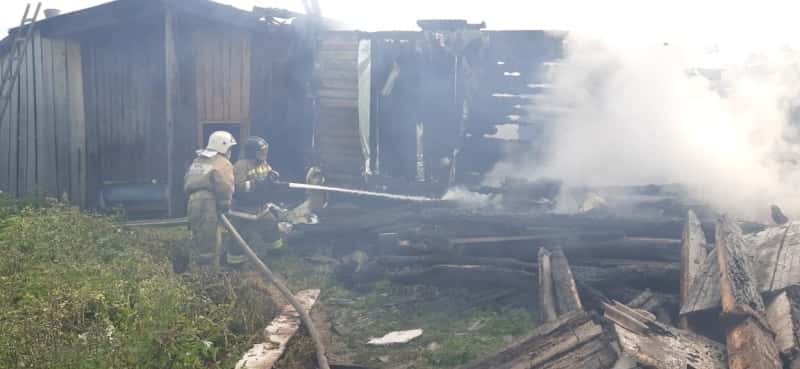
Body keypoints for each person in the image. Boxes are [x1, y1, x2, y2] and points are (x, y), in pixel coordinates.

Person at [184, 131, 237, 269]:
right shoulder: (223, 163)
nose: (230, 152)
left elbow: (187, 179)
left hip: (192, 201)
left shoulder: (198, 160)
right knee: (210, 241)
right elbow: (225, 186)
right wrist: (225, 205)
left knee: (197, 237)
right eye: (230, 148)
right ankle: (207, 278)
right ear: (223, 146)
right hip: (208, 203)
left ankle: (194, 270)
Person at [231, 136, 284, 256]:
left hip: (261, 208)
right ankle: (234, 263)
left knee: (271, 227)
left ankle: (276, 254)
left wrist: (273, 177)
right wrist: (257, 183)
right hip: (243, 210)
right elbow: (237, 188)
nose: (264, 154)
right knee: (239, 237)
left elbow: (268, 175)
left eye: (265, 151)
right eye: (261, 151)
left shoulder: (263, 163)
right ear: (252, 152)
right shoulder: (241, 166)